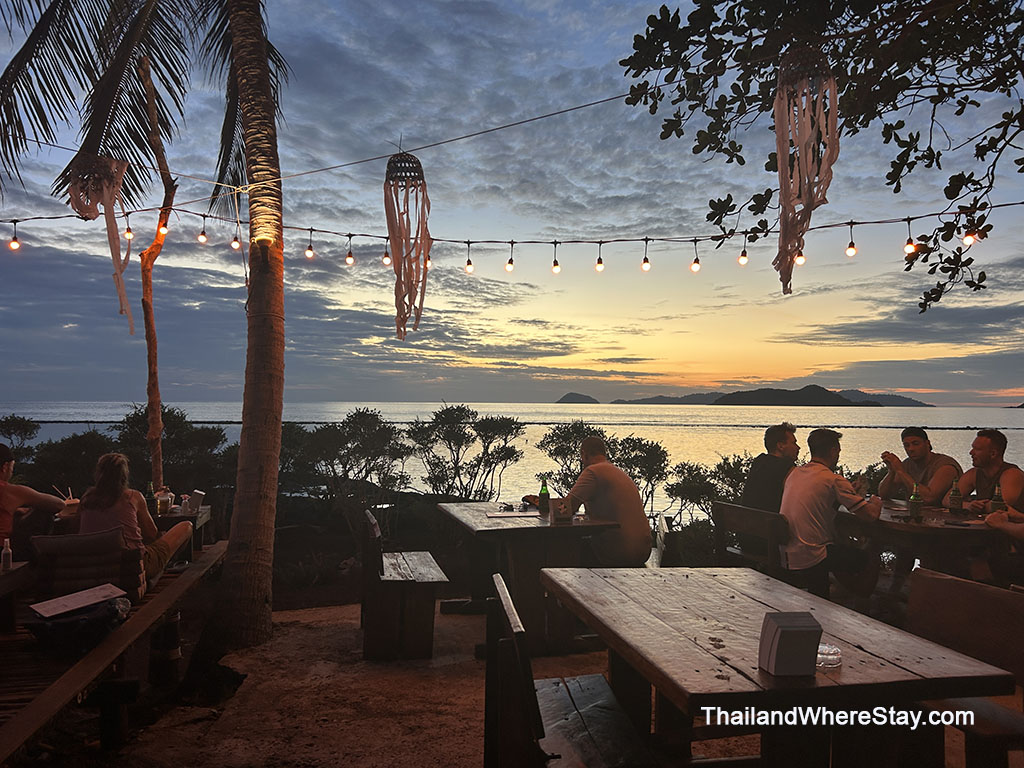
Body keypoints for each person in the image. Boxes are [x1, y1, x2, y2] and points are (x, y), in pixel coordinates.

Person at [780, 428, 881, 599]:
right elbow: (870, 515)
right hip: (812, 555)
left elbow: (818, 500)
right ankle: (863, 603)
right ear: (833, 451)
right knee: (870, 556)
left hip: (788, 552)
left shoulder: (794, 473)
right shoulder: (833, 479)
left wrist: (847, 492)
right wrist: (876, 501)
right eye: (838, 451)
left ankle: (847, 593)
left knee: (841, 546)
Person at [78, 453, 192, 580]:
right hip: (134, 566)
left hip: (96, 568)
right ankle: (170, 565)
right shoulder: (132, 497)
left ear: (98, 474)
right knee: (186, 526)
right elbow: (151, 535)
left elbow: (78, 532)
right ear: (124, 475)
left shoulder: (86, 500)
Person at [562, 436, 652, 567]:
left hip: (618, 551)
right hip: (643, 550)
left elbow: (566, 508)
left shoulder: (593, 472)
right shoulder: (617, 471)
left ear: (584, 454)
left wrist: (544, 506)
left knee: (565, 549)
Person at [0, 443, 69, 552]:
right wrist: (32, 508)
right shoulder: (8, 490)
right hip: (4, 551)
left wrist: (16, 510)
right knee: (43, 511)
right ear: (5, 467)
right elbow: (59, 504)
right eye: (12, 468)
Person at [946, 429, 1024, 514]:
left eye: (977, 449)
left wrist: (974, 506)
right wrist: (968, 505)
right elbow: (947, 499)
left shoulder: (1012, 475)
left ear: (993, 454)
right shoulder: (974, 473)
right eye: (972, 448)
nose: (971, 452)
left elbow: (1000, 506)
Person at [879, 427, 961, 505]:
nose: (911, 449)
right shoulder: (907, 464)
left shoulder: (945, 466)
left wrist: (900, 471)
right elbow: (884, 495)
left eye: (916, 444)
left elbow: (929, 498)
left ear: (927, 443)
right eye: (907, 445)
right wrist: (892, 471)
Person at [741, 422, 800, 513]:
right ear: (780, 446)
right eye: (793, 443)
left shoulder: (759, 462)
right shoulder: (786, 468)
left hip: (747, 518)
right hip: (771, 520)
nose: (798, 447)